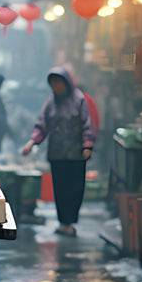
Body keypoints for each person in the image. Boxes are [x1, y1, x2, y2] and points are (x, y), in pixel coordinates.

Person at [22, 67, 94, 236]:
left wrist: (87, 145)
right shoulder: (50, 103)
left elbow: (87, 124)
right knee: (60, 189)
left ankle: (70, 221)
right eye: (53, 83)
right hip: (57, 154)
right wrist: (32, 142)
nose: (56, 86)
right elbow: (42, 125)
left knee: (75, 189)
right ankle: (64, 222)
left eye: (58, 82)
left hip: (76, 154)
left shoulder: (79, 100)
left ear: (66, 83)